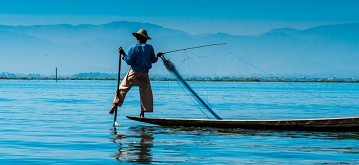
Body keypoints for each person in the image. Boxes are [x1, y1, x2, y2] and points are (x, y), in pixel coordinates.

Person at [109, 29, 163, 118]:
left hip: (133, 73)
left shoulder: (133, 48)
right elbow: (153, 60)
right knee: (145, 93)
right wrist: (157, 55)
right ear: (145, 39)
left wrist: (123, 54)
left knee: (122, 89)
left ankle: (115, 104)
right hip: (144, 74)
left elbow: (129, 61)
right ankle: (142, 113)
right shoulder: (149, 48)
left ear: (137, 37)